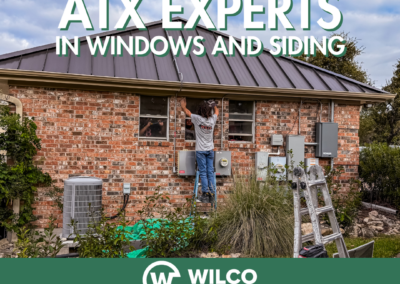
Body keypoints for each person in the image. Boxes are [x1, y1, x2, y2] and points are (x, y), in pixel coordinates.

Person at [180, 98, 219, 203]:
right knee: (210, 171)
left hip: (201, 151)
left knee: (203, 172)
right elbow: (217, 112)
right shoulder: (212, 120)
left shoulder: (197, 119)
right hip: (210, 150)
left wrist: (183, 106)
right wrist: (214, 105)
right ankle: (212, 193)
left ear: (200, 111)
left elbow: (188, 112)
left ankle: (205, 194)